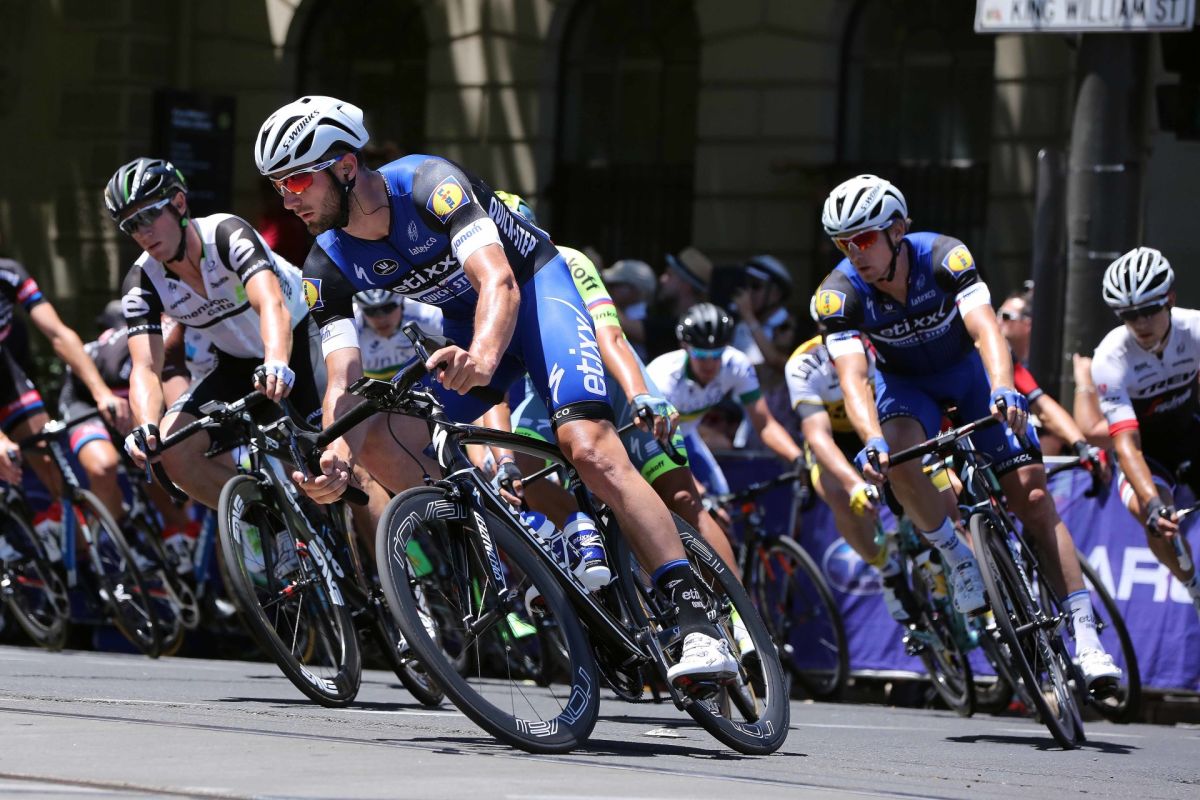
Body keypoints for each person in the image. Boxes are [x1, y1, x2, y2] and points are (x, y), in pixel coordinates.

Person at [254, 95, 737, 685]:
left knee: (587, 447)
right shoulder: (324, 264)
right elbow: (343, 379)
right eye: (278, 186)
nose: (288, 199)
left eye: (297, 180)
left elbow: (499, 280)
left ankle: (696, 619)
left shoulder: (430, 184)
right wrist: (336, 455)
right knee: (374, 437)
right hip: (467, 325)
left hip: (535, 294)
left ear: (346, 166)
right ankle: (527, 540)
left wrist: (482, 359)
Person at [815, 173, 1120, 692]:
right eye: (845, 243)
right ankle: (956, 558)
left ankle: (1087, 638)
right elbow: (853, 377)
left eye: (864, 238)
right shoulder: (837, 295)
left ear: (897, 230)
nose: (855, 253)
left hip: (969, 375)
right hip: (906, 386)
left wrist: (1003, 387)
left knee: (1034, 498)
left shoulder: (944, 257)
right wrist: (871, 441)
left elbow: (985, 329)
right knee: (899, 458)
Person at [107, 157, 325, 513]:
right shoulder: (142, 281)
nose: (142, 232)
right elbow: (145, 367)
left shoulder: (226, 234)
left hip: (298, 338)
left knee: (338, 463)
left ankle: (396, 548)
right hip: (237, 363)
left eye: (148, 216)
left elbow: (271, 304)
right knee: (174, 450)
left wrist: (275, 360)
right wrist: (145, 425)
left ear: (179, 203)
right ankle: (270, 521)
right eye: (131, 225)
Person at [786, 299, 915, 623]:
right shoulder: (803, 364)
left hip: (880, 423)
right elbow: (817, 436)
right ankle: (886, 568)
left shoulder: (879, 346)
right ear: (820, 329)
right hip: (837, 438)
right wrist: (854, 485)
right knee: (836, 492)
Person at [1089, 246, 1200, 621]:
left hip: (1192, 430)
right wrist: (1154, 505)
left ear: (1170, 299)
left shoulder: (1195, 329)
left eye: (1149, 310)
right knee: (1155, 520)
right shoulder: (1111, 357)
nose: (1140, 323)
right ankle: (1194, 586)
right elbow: (1126, 444)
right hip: (1147, 450)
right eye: (1129, 315)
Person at [0, 254, 128, 560]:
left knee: (52, 463)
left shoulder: (8, 273)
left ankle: (83, 564)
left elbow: (58, 334)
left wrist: (100, 391)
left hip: (5, 377)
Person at [647, 303, 804, 498]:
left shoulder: (736, 365)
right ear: (685, 347)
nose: (709, 363)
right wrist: (699, 493)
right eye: (701, 354)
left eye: (717, 354)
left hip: (686, 435)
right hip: (651, 440)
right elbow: (658, 440)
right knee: (691, 500)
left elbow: (764, 424)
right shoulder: (664, 376)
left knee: (721, 497)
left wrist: (798, 459)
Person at [623, 247, 713, 360]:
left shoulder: (687, 326)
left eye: (669, 275)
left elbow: (628, 327)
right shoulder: (668, 316)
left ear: (686, 285)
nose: (662, 279)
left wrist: (601, 290)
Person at [353, 289, 443, 380]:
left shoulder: (429, 317)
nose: (381, 319)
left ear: (402, 302)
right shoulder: (352, 328)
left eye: (388, 308)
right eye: (371, 311)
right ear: (361, 310)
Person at [731, 254, 794, 373]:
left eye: (755, 286)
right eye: (746, 285)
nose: (748, 292)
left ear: (776, 293)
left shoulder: (791, 327)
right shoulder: (740, 323)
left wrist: (749, 317)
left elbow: (780, 364)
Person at [602, 259, 656, 361]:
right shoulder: (626, 313)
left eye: (615, 285)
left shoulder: (652, 320)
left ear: (635, 289)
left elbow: (626, 325)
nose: (609, 289)